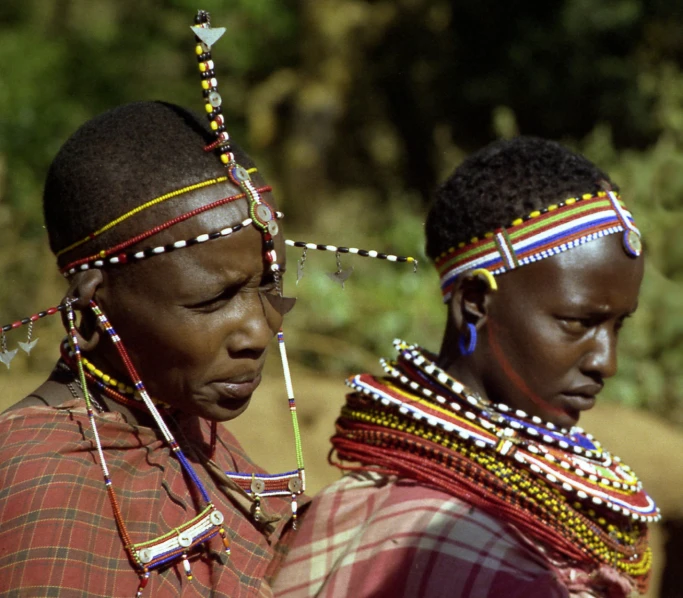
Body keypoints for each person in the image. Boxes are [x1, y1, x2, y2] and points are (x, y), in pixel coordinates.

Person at [0, 13, 307, 598]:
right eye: (215, 298)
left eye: (267, 287)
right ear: (94, 314)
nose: (257, 331)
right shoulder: (40, 492)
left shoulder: (181, 420)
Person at [273, 137, 659, 598]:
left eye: (619, 327)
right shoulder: (477, 556)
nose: (606, 362)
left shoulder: (363, 502)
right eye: (578, 322)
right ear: (475, 302)